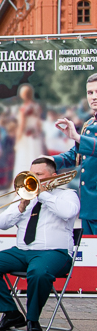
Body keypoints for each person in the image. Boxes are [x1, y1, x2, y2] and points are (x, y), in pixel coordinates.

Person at [0, 156, 79, 331]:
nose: (34, 178)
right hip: (22, 252)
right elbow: (2, 223)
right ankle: (11, 314)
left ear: (53, 176)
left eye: (39, 174)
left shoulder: (67, 195)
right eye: (32, 174)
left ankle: (33, 320)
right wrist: (21, 207)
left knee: (39, 272)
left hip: (54, 253)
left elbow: (68, 212)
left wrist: (43, 195)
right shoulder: (24, 196)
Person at [53, 73, 97, 235]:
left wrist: (77, 137)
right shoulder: (89, 124)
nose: (93, 97)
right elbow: (77, 155)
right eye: (90, 92)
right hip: (89, 207)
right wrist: (50, 161)